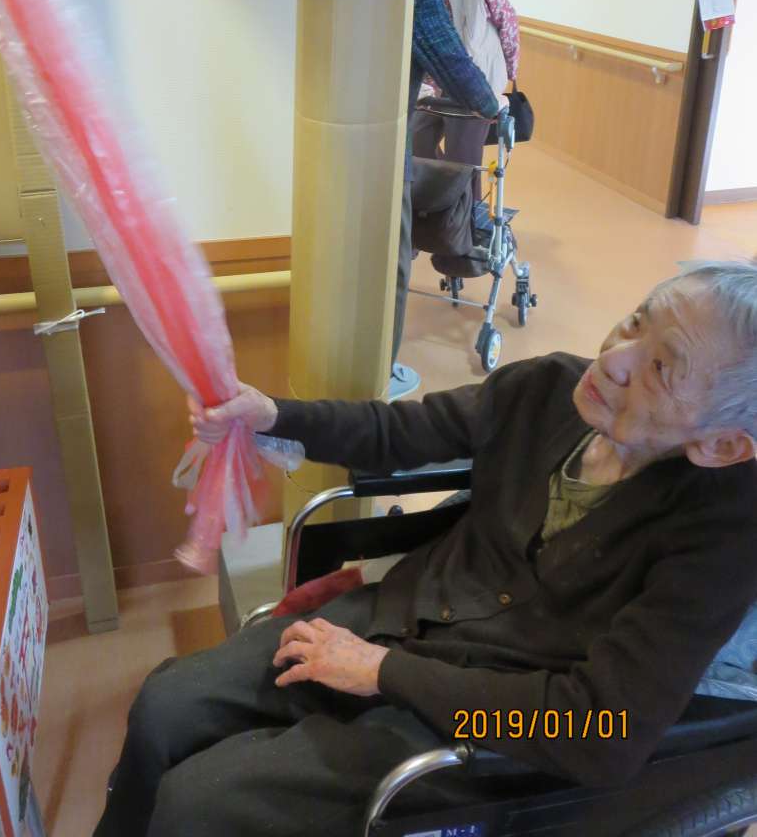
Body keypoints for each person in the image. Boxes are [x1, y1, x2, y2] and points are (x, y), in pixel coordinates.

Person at [94, 260, 757, 837]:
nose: (613, 357)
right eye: (636, 320)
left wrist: (383, 673)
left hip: (481, 715)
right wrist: (272, 415)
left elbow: (602, 733)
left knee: (199, 805)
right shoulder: (548, 388)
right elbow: (397, 432)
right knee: (166, 706)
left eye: (661, 368)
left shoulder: (722, 538)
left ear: (722, 444)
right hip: (403, 614)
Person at [390, 0, 501, 401]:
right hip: (380, 146)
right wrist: (493, 105)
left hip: (327, 141)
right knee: (390, 261)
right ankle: (379, 369)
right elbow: (457, 68)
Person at [413, 0, 521, 202]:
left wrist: (508, 76)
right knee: (416, 138)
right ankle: (440, 199)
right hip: (434, 87)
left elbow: (509, 26)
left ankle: (466, 217)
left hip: (476, 82)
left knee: (462, 158)